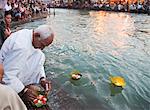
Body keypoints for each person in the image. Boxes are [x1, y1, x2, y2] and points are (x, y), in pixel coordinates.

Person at [0, 25, 54, 106]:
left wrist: (42, 78)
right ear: (37, 35)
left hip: (15, 74)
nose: (42, 48)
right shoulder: (21, 46)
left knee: (41, 55)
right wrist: (23, 91)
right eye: (42, 45)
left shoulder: (30, 36)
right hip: (4, 80)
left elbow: (38, 60)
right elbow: (7, 75)